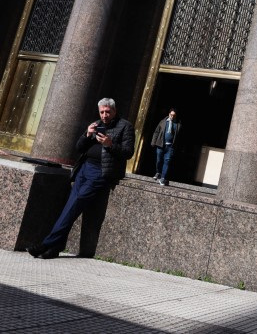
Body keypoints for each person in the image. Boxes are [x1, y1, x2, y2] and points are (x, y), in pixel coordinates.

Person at [27, 98, 134, 259]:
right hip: (83, 169)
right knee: (70, 207)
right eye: (102, 112)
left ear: (114, 111)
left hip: (100, 172)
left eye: (108, 112)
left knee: (74, 205)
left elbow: (128, 152)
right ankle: (54, 249)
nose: (104, 115)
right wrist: (87, 134)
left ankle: (46, 244)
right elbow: (79, 148)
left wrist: (110, 144)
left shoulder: (125, 126)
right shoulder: (96, 124)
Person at [150, 108, 181, 186]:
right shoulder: (163, 122)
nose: (172, 117)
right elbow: (156, 132)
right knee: (159, 160)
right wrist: (153, 142)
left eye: (174, 115)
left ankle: (163, 178)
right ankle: (158, 172)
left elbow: (178, 137)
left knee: (167, 162)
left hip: (170, 146)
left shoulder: (178, 124)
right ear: (169, 114)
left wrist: (175, 147)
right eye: (171, 115)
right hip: (161, 144)